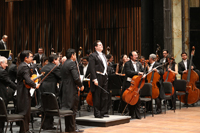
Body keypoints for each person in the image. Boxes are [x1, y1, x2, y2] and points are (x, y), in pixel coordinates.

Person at [60, 48, 84, 132]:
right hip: (71, 88)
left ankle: (69, 128)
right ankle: (72, 129)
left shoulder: (64, 64)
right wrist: (81, 85)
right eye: (75, 55)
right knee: (73, 109)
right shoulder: (72, 63)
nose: (76, 56)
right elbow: (76, 78)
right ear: (72, 55)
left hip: (64, 88)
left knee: (68, 109)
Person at [16, 50, 40, 133]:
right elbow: (27, 80)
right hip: (23, 92)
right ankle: (24, 131)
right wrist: (35, 85)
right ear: (26, 58)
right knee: (25, 112)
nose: (32, 58)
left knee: (26, 112)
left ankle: (25, 130)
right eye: (31, 56)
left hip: (23, 91)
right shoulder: (24, 66)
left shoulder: (22, 65)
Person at [40, 54, 61, 130]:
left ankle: (44, 124)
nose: (59, 61)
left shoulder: (44, 67)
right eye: (58, 60)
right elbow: (60, 77)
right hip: (51, 88)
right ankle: (48, 125)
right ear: (54, 60)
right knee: (50, 107)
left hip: (43, 88)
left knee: (45, 106)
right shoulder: (55, 67)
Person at [88, 40, 109, 118]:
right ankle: (97, 113)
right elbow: (92, 68)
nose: (102, 46)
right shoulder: (92, 56)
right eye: (99, 45)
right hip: (98, 76)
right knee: (97, 95)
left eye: (102, 44)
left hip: (104, 76)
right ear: (95, 47)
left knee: (104, 95)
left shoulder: (103, 55)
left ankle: (103, 112)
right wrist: (94, 79)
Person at [121, 51, 144, 119]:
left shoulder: (139, 64)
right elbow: (128, 72)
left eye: (137, 55)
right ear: (131, 57)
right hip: (129, 84)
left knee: (137, 99)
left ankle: (137, 114)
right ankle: (130, 114)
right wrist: (138, 73)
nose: (137, 56)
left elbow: (142, 71)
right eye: (135, 55)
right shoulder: (127, 63)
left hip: (136, 84)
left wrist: (143, 74)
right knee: (129, 99)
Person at [0, 56, 17, 133]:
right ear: (1, 63)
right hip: (1, 94)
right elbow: (9, 82)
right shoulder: (2, 71)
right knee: (2, 115)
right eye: (6, 63)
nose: (7, 65)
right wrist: (17, 88)